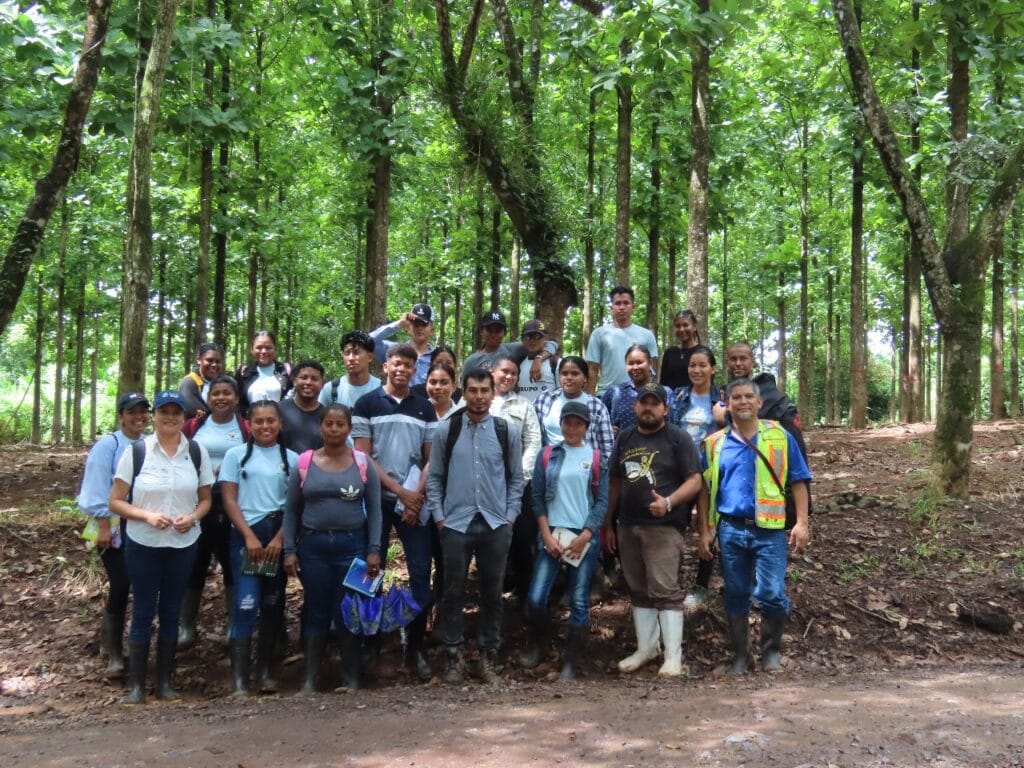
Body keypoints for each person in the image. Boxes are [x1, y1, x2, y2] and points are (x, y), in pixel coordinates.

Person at [697, 378, 811, 675]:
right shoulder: (713, 443)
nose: (744, 402)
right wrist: (705, 531)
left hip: (770, 530)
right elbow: (706, 490)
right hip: (731, 529)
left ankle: (770, 653)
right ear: (727, 403)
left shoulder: (779, 436)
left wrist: (801, 522)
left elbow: (798, 480)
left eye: (749, 397)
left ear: (760, 403)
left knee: (772, 592)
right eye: (737, 397)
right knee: (735, 592)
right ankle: (740, 655)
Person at [108, 390, 214, 704]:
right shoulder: (137, 452)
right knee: (143, 610)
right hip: (143, 542)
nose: (170, 418)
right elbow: (115, 501)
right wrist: (146, 516)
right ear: (154, 415)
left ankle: (165, 684)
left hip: (183, 543)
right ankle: (138, 687)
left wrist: (193, 517)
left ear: (185, 418)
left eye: (176, 413)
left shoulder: (195, 451)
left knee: (171, 611)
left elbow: (207, 498)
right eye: (164, 412)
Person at [427, 369, 525, 685]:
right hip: (455, 523)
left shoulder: (505, 430)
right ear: (463, 392)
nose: (479, 396)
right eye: (473, 390)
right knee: (452, 593)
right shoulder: (447, 430)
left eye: (485, 390)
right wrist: (440, 517)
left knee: (492, 594)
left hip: (496, 523)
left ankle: (488, 657)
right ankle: (453, 657)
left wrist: (510, 515)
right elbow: (435, 478)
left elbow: (515, 478)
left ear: (493, 393)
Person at [603, 383, 702, 677]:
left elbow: (695, 480)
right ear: (635, 407)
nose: (648, 408)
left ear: (665, 409)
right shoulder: (625, 438)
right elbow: (615, 482)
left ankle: (673, 657)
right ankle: (646, 649)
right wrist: (608, 522)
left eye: (654, 403)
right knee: (638, 588)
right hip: (627, 525)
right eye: (643, 403)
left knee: (666, 590)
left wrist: (669, 503)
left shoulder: (678, 438)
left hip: (663, 527)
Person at [283, 404, 382, 693]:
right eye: (329, 424)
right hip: (313, 546)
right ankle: (310, 680)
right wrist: (290, 549)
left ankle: (351, 679)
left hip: (352, 546)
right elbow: (291, 510)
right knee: (316, 610)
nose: (335, 429)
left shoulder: (363, 463)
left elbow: (375, 510)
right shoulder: (304, 462)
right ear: (321, 427)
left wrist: (373, 549)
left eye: (341, 424)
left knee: (347, 611)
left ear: (349, 429)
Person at [352, 343, 437, 679]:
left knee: (419, 572)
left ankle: (414, 649)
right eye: (396, 364)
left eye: (408, 365)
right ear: (385, 365)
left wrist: (414, 496)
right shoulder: (367, 403)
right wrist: (399, 490)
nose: (402, 370)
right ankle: (367, 647)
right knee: (367, 572)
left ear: (415, 370)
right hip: (375, 501)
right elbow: (364, 458)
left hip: (413, 505)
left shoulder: (425, 408)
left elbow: (431, 458)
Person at [519, 400, 607, 681]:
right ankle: (539, 642)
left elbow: (602, 501)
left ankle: (572, 658)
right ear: (561, 423)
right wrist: (545, 534)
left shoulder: (594, 458)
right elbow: (537, 497)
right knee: (536, 597)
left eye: (577, 423)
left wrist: (586, 536)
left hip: (583, 538)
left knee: (579, 600)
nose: (572, 428)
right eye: (567, 422)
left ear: (585, 427)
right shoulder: (548, 455)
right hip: (552, 535)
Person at [218, 400, 298, 695]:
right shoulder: (235, 456)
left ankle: (265, 672)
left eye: (271, 421)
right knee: (246, 602)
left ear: (280, 424)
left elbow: (294, 506)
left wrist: (279, 539)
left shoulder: (292, 458)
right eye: (259, 421)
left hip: (276, 538)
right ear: (249, 424)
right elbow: (228, 499)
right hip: (246, 539)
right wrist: (249, 536)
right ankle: (239, 679)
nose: (265, 426)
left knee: (272, 604)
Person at [76, 391, 150, 677]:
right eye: (132, 412)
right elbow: (95, 487)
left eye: (143, 411)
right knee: (120, 584)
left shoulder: (149, 444)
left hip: (141, 525)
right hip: (112, 526)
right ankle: (114, 653)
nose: (138, 417)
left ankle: (128, 645)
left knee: (139, 584)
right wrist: (104, 524)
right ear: (121, 416)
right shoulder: (108, 445)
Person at [178, 376, 251, 649]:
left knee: (232, 562)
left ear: (236, 398)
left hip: (233, 503)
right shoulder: (195, 425)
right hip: (196, 503)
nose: (221, 398)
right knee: (195, 561)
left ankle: (234, 624)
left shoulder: (246, 427)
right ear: (208, 398)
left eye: (227, 393)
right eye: (216, 393)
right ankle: (186, 626)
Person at [490, 354, 543, 603]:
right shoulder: (478, 400)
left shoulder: (523, 405)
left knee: (523, 540)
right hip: (484, 487)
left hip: (519, 486)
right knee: (489, 541)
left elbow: (533, 442)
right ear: (492, 372)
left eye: (513, 373)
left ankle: (525, 596)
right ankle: (491, 594)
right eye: (504, 371)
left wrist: (519, 479)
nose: (508, 376)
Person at [719, 342, 808, 458]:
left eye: (743, 359)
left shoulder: (772, 395)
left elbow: (796, 444)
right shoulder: (722, 394)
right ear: (727, 363)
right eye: (733, 359)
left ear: (752, 361)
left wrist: (724, 418)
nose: (738, 363)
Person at [534, 356, 614, 461]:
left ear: (585, 378)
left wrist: (602, 472)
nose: (569, 377)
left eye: (575, 374)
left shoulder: (596, 406)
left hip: (585, 467)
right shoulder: (545, 399)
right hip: (550, 466)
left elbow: (607, 446)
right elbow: (533, 434)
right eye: (564, 373)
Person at [585, 286, 659, 394]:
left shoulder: (647, 335)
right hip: (606, 393)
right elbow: (592, 369)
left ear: (633, 306)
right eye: (618, 303)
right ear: (611, 307)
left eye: (626, 303)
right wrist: (589, 400)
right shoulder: (599, 334)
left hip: (639, 394)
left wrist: (652, 393)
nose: (622, 307)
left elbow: (653, 369)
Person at [462, 310, 558, 378]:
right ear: (481, 331)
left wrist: (538, 359)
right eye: (489, 330)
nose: (493, 334)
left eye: (498, 330)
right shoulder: (471, 361)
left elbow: (550, 344)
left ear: (504, 333)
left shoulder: (513, 349)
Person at [600, 344, 672, 434]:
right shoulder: (615, 392)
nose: (635, 367)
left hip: (657, 446)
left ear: (650, 363)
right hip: (622, 446)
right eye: (630, 363)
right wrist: (607, 430)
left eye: (639, 362)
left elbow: (674, 424)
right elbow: (597, 423)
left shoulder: (666, 392)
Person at [368, 303, 436, 385]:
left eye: (424, 324)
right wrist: (398, 324)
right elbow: (367, 340)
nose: (419, 328)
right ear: (408, 327)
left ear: (432, 330)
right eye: (416, 324)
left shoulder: (437, 358)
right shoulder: (394, 351)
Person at [319, 331, 382, 407]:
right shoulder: (330, 389)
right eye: (347, 353)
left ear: (370, 357)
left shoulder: (382, 389)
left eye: (356, 353)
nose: (351, 358)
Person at [236, 330, 292, 415]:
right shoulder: (244, 372)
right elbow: (237, 401)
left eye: (268, 347)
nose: (263, 351)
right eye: (259, 347)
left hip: (282, 425)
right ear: (252, 349)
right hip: (251, 425)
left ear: (275, 349)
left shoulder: (286, 370)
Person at [278, 359, 326, 453]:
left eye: (314, 379)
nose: (308, 382)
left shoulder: (327, 416)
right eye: (304, 378)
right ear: (294, 381)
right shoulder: (278, 410)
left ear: (322, 384)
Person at [516, 319, 560, 404]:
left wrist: (538, 358)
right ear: (522, 339)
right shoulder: (518, 363)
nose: (532, 341)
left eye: (536, 336)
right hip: (523, 415)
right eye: (528, 337)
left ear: (546, 338)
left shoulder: (556, 363)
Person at [659, 310, 702, 390]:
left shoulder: (703, 352)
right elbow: (663, 383)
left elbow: (708, 383)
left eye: (685, 325)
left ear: (694, 327)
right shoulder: (669, 353)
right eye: (678, 326)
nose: (681, 329)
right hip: (671, 401)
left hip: (696, 400)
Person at [180, 343, 224, 418]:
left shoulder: (224, 383)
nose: (214, 365)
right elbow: (190, 408)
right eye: (209, 360)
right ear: (199, 360)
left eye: (218, 362)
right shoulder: (190, 382)